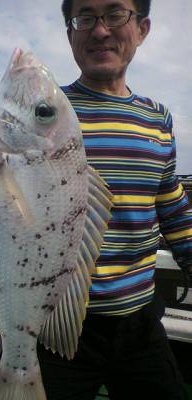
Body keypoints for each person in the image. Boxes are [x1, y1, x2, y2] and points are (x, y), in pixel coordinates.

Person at [37, 1, 192, 399]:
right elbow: (0, 172)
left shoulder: (157, 118)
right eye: (84, 18)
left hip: (139, 321)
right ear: (70, 33)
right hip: (58, 323)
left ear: (142, 29)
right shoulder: (47, 113)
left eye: (115, 14)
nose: (100, 30)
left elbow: (170, 202)